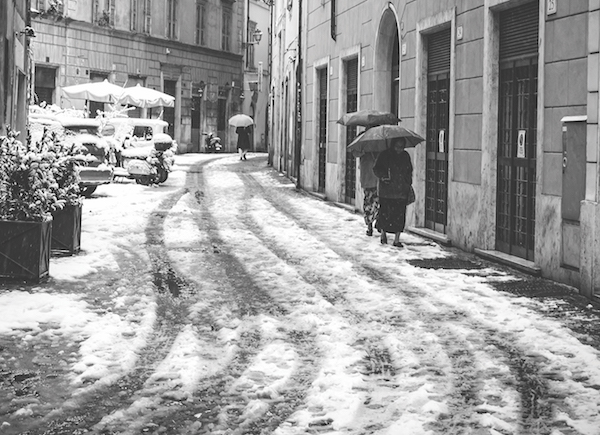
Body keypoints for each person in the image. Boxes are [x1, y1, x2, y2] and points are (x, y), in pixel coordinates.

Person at [372, 137, 413, 247]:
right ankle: (383, 234)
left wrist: (408, 183)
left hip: (401, 191)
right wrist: (383, 176)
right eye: (397, 147)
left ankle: (397, 239)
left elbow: (409, 171)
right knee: (385, 214)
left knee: (400, 215)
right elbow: (376, 169)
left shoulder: (405, 156)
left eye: (402, 147)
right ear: (393, 145)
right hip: (386, 191)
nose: (399, 149)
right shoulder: (384, 155)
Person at [353, 149, 380, 236]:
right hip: (368, 180)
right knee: (368, 204)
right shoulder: (363, 147)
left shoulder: (380, 148)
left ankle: (378, 221)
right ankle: (369, 225)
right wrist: (363, 152)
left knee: (379, 203)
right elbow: (355, 153)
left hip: (378, 180)